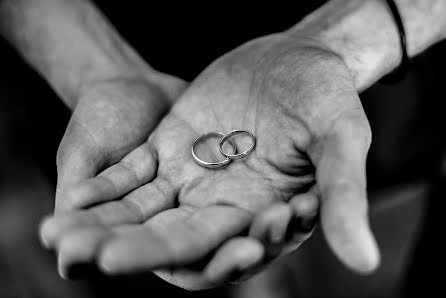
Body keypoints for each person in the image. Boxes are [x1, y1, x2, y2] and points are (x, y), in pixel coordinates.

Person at [0, 0, 444, 292]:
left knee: (330, 221)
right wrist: (95, 67)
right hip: (125, 97)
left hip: (369, 88)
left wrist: (349, 37)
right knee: (129, 262)